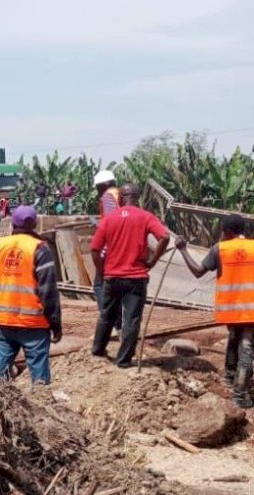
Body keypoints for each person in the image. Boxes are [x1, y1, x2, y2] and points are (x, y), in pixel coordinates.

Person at [176, 215, 254, 408]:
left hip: (230, 308)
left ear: (227, 231)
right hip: (251, 308)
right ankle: (240, 392)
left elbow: (197, 271)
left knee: (235, 337)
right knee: (247, 345)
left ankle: (231, 380)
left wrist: (183, 249)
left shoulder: (219, 249)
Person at [91, 183, 170, 368]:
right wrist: (152, 261)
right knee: (132, 319)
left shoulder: (109, 219)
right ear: (138, 197)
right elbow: (165, 237)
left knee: (106, 315)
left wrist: (102, 271)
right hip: (136, 278)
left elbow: (95, 249)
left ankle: (98, 350)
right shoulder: (145, 217)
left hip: (112, 276)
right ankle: (124, 360)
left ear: (120, 198)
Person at [0, 206, 62, 385]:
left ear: (12, 223)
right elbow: (48, 291)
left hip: (3, 322)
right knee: (39, 377)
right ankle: (40, 406)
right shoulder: (39, 249)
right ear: (34, 224)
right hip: (33, 324)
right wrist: (55, 324)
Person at [93, 169, 122, 335]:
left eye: (98, 187)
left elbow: (112, 220)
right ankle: (118, 324)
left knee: (100, 284)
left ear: (104, 184)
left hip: (110, 246)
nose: (97, 191)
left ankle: (109, 323)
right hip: (123, 244)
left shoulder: (107, 196)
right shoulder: (122, 194)